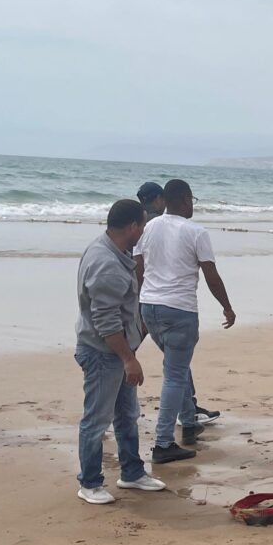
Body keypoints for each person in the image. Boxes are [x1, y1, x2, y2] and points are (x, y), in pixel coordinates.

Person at [135, 179, 235, 463]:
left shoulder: (147, 227)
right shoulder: (196, 232)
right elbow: (211, 275)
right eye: (192, 200)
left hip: (150, 307)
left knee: (175, 367)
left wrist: (138, 306)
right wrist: (227, 307)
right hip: (179, 309)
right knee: (174, 375)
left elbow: (138, 269)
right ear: (184, 200)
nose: (193, 205)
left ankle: (189, 423)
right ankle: (163, 443)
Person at [75, 199, 165, 504]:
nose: (144, 230)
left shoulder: (116, 251)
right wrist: (128, 358)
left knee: (127, 414)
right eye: (143, 224)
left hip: (117, 350)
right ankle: (89, 483)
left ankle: (132, 472)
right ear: (132, 227)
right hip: (103, 353)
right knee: (97, 419)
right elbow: (105, 321)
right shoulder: (106, 263)